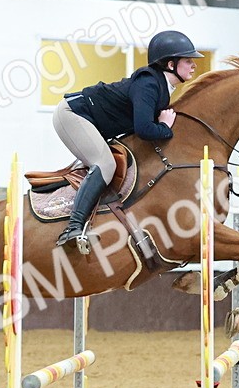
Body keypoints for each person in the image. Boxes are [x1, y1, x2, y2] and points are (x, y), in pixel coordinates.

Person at [52, 30, 202, 249]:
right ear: (171, 64)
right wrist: (164, 127)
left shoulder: (161, 87)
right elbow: (144, 129)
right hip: (73, 114)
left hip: (88, 119)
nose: (194, 65)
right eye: (188, 61)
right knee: (105, 164)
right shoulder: (149, 83)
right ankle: (73, 228)